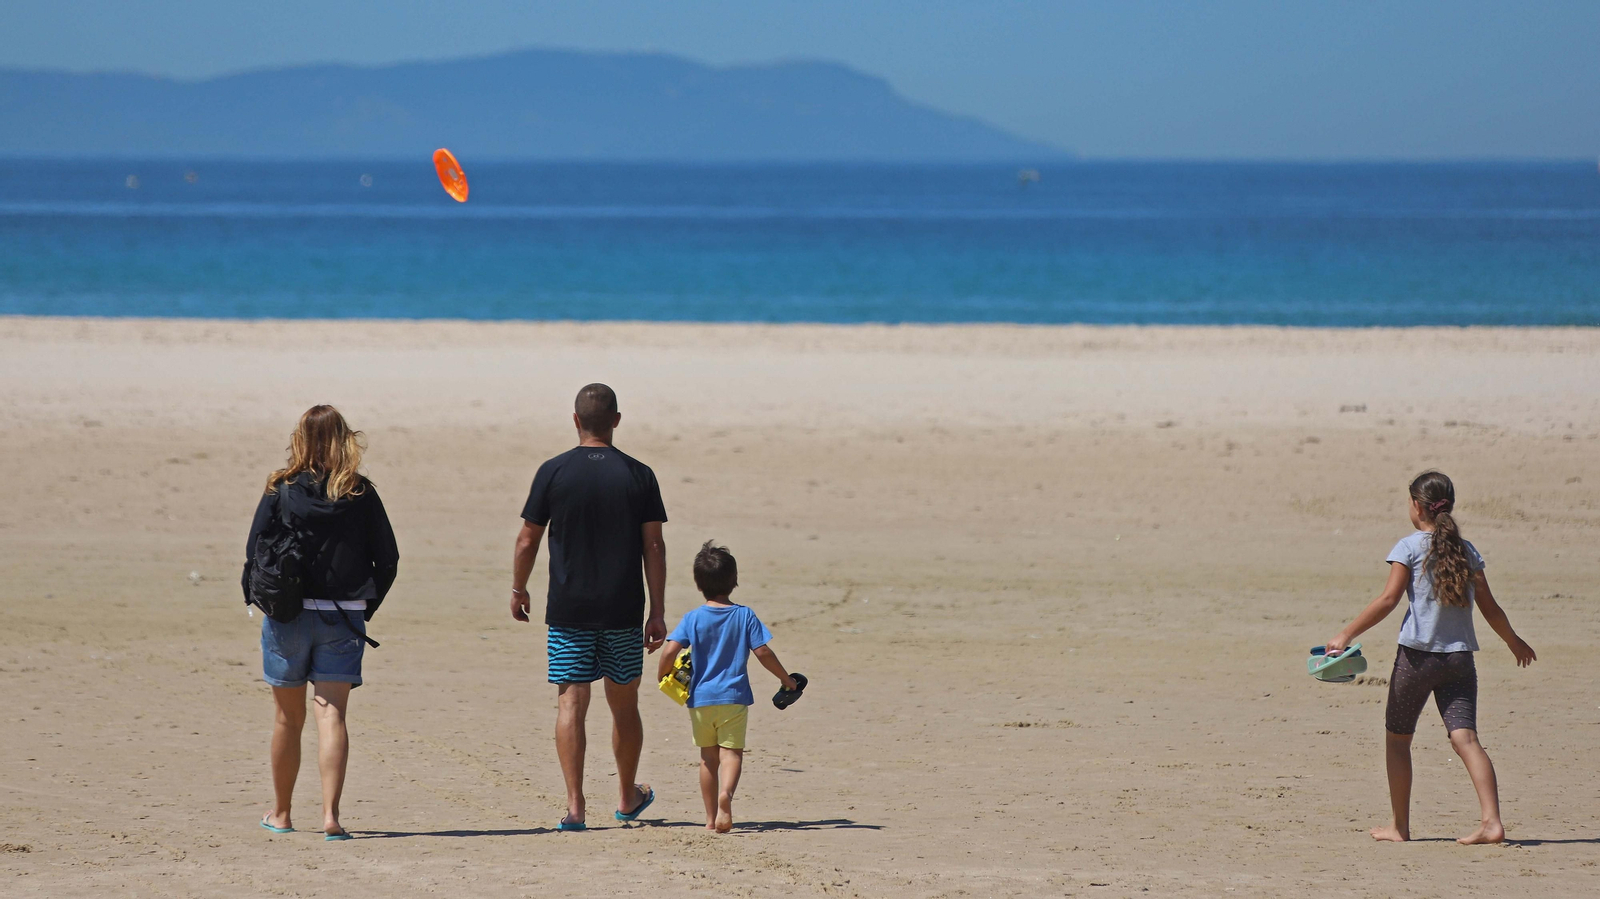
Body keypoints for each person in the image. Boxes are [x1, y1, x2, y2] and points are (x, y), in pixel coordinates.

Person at [1325, 470, 1535, 845]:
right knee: (1466, 739)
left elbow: (1388, 600)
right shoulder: (1466, 550)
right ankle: (1492, 822)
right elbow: (1490, 608)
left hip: (1417, 660)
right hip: (1459, 661)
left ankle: (1400, 827)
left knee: (1397, 740)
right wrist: (1514, 642)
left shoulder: (1408, 548)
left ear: (1416, 506)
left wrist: (1346, 634)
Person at [511, 383, 667, 831]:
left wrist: (519, 588)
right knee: (624, 704)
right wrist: (656, 610)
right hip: (622, 607)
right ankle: (625, 795)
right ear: (616, 420)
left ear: (576, 421)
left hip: (569, 609)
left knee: (570, 705)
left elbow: (528, 538)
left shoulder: (553, 471)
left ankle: (576, 807)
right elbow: (653, 544)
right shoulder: (639, 474)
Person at [245, 405, 398, 840]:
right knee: (332, 716)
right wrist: (363, 607)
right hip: (342, 617)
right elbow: (388, 558)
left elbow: (255, 549)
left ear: (300, 439)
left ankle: (282, 813)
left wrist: (257, 597)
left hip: (287, 617)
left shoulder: (281, 488)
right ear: (345, 439)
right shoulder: (360, 492)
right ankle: (331, 817)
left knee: (286, 720)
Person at [658, 541, 798, 833]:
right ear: (735, 581)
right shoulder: (744, 615)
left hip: (700, 700)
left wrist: (663, 675)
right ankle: (727, 795)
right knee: (731, 754)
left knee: (708, 760)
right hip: (733, 699)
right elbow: (763, 653)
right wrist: (786, 680)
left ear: (698, 585)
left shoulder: (692, 618)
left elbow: (670, 651)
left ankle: (710, 820)